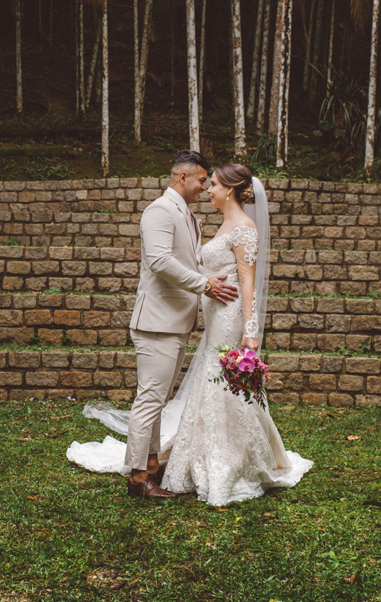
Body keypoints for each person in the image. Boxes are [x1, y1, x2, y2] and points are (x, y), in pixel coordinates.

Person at [67, 160, 312, 505]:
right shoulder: (163, 212)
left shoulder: (228, 225)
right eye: (203, 181)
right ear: (184, 178)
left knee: (208, 388)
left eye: (211, 183)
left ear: (228, 189)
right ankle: (142, 475)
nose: (206, 188)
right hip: (166, 321)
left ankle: (202, 460)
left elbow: (246, 281)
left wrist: (251, 330)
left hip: (218, 318)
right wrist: (204, 285)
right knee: (159, 397)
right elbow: (160, 261)